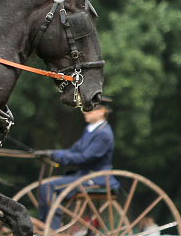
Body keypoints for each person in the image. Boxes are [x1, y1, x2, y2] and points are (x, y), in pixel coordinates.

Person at [34, 97, 119, 228]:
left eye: (89, 110)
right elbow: (74, 151)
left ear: (101, 112)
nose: (85, 112)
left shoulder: (104, 134)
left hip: (96, 178)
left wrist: (57, 156)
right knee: (44, 185)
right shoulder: (90, 130)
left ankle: (52, 229)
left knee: (49, 186)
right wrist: (51, 153)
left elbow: (86, 157)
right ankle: (44, 225)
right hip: (84, 176)